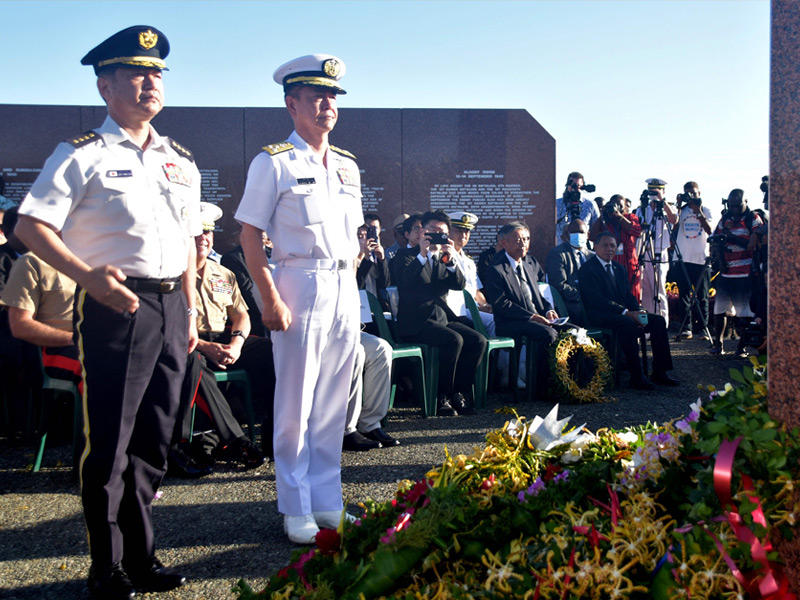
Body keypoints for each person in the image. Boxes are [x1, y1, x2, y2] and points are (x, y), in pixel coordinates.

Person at [14, 26, 198, 599]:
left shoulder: (179, 159)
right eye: (137, 73)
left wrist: (190, 306)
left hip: (171, 306)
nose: (151, 83)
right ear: (105, 86)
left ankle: (143, 559)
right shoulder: (82, 154)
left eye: (158, 74)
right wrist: (87, 277)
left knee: (154, 439)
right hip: (117, 304)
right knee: (110, 443)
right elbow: (29, 225)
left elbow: (189, 237)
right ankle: (107, 567)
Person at [234, 54, 362, 545]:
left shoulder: (347, 166)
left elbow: (352, 235)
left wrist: (350, 280)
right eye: (316, 97)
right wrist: (268, 298)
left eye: (332, 97)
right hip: (297, 282)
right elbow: (249, 235)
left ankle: (328, 499)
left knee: (333, 399)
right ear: (292, 104)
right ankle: (295, 505)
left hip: (342, 286)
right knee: (295, 401)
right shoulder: (274, 162)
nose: (327, 104)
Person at [169, 203, 267, 477]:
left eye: (208, 232)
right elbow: (168, 325)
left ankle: (274, 434)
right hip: (188, 342)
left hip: (225, 340)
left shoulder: (222, 273)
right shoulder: (171, 274)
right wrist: (204, 346)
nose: (204, 238)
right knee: (195, 361)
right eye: (197, 232)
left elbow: (241, 315)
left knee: (271, 352)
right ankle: (237, 440)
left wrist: (236, 344)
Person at [395, 210, 487, 416]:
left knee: (478, 340)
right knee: (453, 340)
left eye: (442, 232)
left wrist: (452, 260)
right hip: (415, 323)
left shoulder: (442, 258)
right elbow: (406, 281)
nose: (436, 235)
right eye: (432, 231)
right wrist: (423, 253)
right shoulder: (406, 256)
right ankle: (440, 396)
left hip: (440, 320)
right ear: (421, 232)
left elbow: (458, 284)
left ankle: (460, 393)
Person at [578, 231, 679, 390]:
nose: (610, 249)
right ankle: (636, 376)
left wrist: (638, 310)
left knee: (657, 321)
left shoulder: (619, 268)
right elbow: (597, 300)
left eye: (613, 245)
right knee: (628, 324)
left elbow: (627, 295)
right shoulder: (587, 270)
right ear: (595, 247)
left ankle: (660, 372)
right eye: (605, 245)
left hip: (625, 314)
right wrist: (627, 313)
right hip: (600, 316)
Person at [483, 222, 558, 400]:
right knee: (548, 334)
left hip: (537, 317)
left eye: (526, 239)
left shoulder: (529, 264)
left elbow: (540, 295)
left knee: (573, 330)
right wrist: (531, 316)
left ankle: (567, 382)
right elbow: (502, 304)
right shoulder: (495, 268)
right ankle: (540, 387)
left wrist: (548, 310)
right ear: (504, 243)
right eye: (517, 240)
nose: (523, 244)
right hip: (511, 322)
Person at [710, 189, 764, 356]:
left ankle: (742, 347)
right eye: (730, 205)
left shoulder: (753, 219)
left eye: (737, 205)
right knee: (720, 311)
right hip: (726, 272)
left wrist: (731, 238)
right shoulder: (725, 218)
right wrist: (718, 257)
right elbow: (716, 238)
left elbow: (752, 244)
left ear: (745, 202)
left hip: (745, 273)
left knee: (744, 313)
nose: (733, 209)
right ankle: (718, 345)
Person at [343, 331, 399, 450]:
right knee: (355, 351)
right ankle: (345, 430)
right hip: (318, 328)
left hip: (347, 326)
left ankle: (369, 424)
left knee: (381, 348)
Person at [672, 181, 712, 339]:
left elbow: (710, 230)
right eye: (688, 194)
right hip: (683, 258)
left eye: (694, 193)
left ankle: (702, 328)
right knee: (683, 295)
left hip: (701, 259)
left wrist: (698, 212)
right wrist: (678, 204)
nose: (692, 197)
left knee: (702, 296)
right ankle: (686, 328)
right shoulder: (681, 211)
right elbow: (672, 225)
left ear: (699, 194)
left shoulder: (706, 210)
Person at [445, 210, 494, 335]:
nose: (463, 235)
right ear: (448, 232)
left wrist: (486, 305)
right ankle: (492, 354)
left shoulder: (469, 262)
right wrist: (477, 307)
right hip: (457, 309)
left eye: (466, 231)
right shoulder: (445, 257)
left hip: (473, 307)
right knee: (493, 322)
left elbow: (476, 290)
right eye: (458, 230)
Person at [635, 178, 677, 321]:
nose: (653, 195)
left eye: (656, 191)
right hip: (645, 251)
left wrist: (662, 201)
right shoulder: (642, 209)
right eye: (651, 191)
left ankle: (662, 322)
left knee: (659, 290)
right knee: (645, 290)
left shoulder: (667, 207)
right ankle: (648, 324)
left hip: (660, 252)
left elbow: (673, 219)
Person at [590, 194, 642, 299]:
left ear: (625, 207)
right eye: (614, 205)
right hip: (610, 263)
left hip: (628, 263)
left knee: (631, 294)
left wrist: (619, 216)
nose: (616, 207)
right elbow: (592, 236)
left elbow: (636, 231)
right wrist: (602, 215)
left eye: (619, 205)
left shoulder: (630, 217)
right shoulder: (606, 221)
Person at [545, 218, 591, 325]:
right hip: (572, 303)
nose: (578, 235)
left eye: (581, 232)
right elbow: (559, 284)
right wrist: (583, 295)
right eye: (574, 232)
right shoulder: (558, 254)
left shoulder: (591, 255)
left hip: (592, 302)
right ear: (567, 235)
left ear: (588, 235)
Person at [555, 171, 600, 244]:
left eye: (578, 186)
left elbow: (597, 228)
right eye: (572, 185)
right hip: (561, 246)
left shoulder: (590, 205)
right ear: (567, 186)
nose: (574, 189)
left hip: (583, 247)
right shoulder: (557, 204)